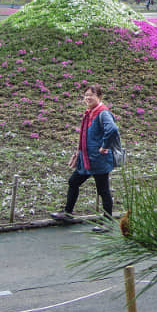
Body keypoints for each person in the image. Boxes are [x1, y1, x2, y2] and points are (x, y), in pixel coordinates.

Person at [51, 84, 120, 231]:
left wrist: (104, 146)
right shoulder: (89, 113)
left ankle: (107, 222)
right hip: (87, 159)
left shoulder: (103, 113)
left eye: (91, 95)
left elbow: (112, 129)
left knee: (103, 190)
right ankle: (68, 213)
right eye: (86, 95)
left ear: (99, 97)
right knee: (73, 182)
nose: (88, 98)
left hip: (99, 159)